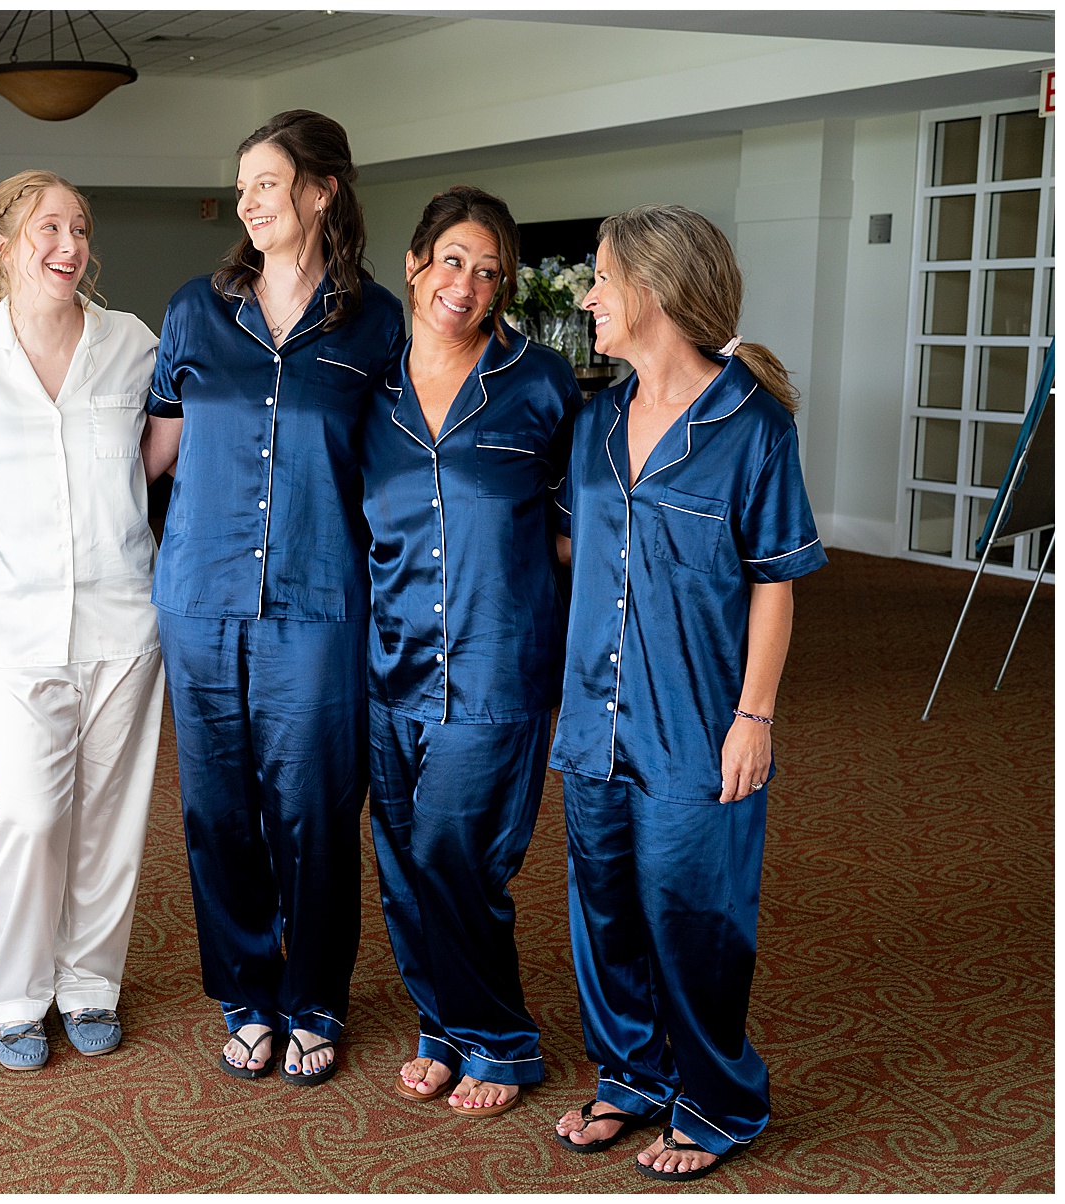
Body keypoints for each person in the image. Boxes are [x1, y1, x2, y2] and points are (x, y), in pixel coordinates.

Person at [549, 204, 826, 1181]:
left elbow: (774, 582)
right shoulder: (596, 421)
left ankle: (717, 1100)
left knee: (694, 919)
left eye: (600, 279)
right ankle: (629, 1074)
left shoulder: (751, 428)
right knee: (607, 907)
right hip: (593, 718)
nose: (588, 297)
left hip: (698, 726)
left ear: (653, 292)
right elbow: (581, 555)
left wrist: (755, 717)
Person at [145, 110, 404, 1086]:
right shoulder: (194, 311)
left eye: (266, 181)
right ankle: (248, 995)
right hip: (200, 594)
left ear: (321, 190)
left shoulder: (376, 322)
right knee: (218, 808)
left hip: (322, 596)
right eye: (243, 185)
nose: (250, 200)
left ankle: (316, 1000)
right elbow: (154, 450)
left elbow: (394, 468)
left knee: (318, 808)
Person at [0, 171, 170, 1071]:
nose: (69, 245)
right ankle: (18, 995)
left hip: (122, 620)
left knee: (111, 817)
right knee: (30, 818)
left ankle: (91, 985)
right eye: (47, 228)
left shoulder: (132, 344)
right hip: (13, 626)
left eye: (79, 227)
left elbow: (161, 450)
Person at [357, 187, 580, 1119]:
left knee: (458, 856)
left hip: (497, 667)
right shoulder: (367, 385)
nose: (469, 283)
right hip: (390, 663)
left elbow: (579, 534)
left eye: (490, 271)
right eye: (453, 259)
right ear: (414, 265)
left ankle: (502, 1040)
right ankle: (444, 1024)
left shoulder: (540, 383)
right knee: (404, 861)